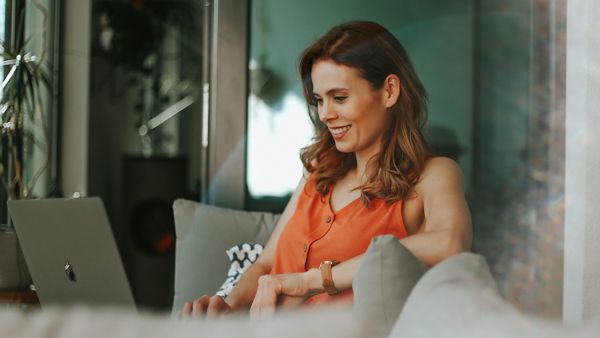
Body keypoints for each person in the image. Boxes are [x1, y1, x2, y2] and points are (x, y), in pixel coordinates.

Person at [181, 20, 471, 318]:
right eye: (319, 100)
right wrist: (224, 309)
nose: (325, 114)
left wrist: (312, 281)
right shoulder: (319, 169)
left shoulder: (433, 175)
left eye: (340, 97)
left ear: (389, 91)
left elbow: (450, 242)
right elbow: (267, 264)